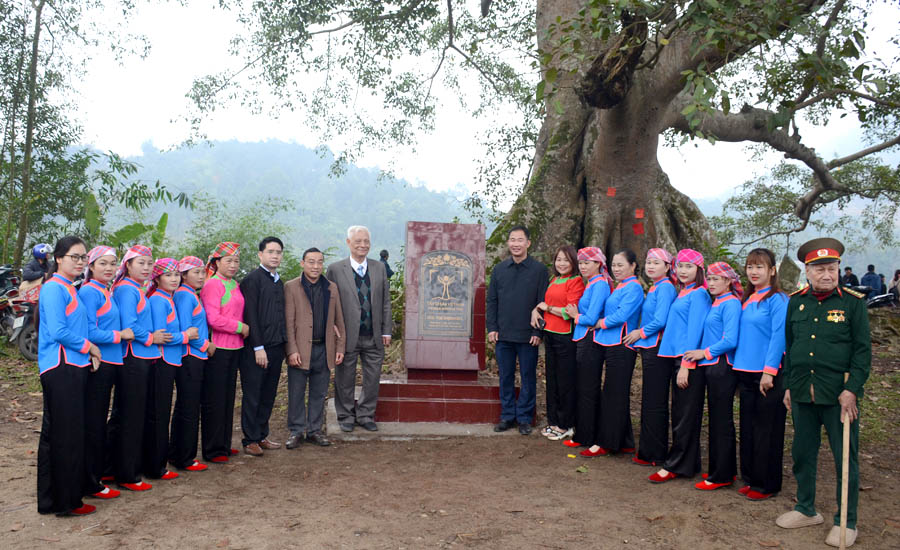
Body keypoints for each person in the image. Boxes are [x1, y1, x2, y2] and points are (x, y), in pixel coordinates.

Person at [776, 238, 870, 548]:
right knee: (802, 454)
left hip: (839, 396)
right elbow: (790, 346)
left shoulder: (852, 303)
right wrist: (789, 384)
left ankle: (846, 521)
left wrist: (852, 390)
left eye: (832, 268)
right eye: (819, 269)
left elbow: (862, 352)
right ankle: (806, 508)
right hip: (803, 391)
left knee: (846, 459)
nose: (826, 275)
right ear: (808, 271)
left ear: (839, 269)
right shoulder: (796, 301)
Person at [36, 236, 102, 516]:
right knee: (66, 436)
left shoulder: (70, 288)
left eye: (83, 257)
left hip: (73, 366)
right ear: (59, 258)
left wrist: (86, 353)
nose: (80, 262)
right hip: (60, 367)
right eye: (75, 256)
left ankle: (54, 500)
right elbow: (58, 331)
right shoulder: (53, 288)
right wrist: (91, 347)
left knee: (61, 434)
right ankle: (66, 502)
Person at [109, 245, 171, 492]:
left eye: (149, 264)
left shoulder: (137, 289)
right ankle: (127, 474)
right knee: (131, 416)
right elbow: (129, 325)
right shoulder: (126, 289)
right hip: (134, 357)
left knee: (129, 414)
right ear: (128, 265)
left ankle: (113, 469)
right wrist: (150, 338)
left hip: (143, 357)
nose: (146, 268)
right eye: (141, 263)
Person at [649, 249, 711, 483]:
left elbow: (695, 330)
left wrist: (686, 365)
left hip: (688, 361)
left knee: (684, 415)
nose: (683, 271)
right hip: (678, 358)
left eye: (689, 267)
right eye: (680, 266)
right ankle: (688, 463)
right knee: (682, 412)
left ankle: (675, 464)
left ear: (699, 270)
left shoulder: (699, 294)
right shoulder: (684, 291)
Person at [732, 248, 788, 500]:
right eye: (750, 267)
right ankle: (752, 478)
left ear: (772, 271)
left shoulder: (777, 300)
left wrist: (770, 371)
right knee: (749, 427)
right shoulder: (747, 298)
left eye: (760, 267)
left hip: (767, 374)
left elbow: (779, 336)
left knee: (768, 428)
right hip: (744, 371)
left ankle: (767, 484)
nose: (754, 272)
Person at [78, 246, 133, 502]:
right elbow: (88, 331)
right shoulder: (90, 291)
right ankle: (91, 482)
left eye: (112, 263)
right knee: (94, 422)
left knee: (105, 420)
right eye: (103, 263)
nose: (109, 268)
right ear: (90, 266)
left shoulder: (106, 290)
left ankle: (101, 473)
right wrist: (119, 335)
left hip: (113, 361)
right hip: (100, 362)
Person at [682, 262, 742, 490]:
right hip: (711, 366)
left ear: (728, 281)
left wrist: (703, 352)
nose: (713, 283)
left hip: (722, 367)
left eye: (718, 279)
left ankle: (722, 475)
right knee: (716, 419)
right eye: (711, 278)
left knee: (721, 420)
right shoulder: (717, 302)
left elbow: (730, 340)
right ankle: (722, 469)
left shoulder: (732, 304)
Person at [326, 226, 393, 432]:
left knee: (372, 378)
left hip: (373, 335)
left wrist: (386, 330)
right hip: (347, 336)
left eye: (366, 241)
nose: (363, 245)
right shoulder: (336, 269)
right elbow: (330, 304)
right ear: (348, 243)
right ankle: (345, 415)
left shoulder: (379, 268)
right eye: (358, 241)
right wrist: (333, 329)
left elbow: (385, 302)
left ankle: (365, 414)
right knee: (345, 377)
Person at [486, 226, 549, 435]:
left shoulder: (539, 271)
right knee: (505, 376)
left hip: (528, 335)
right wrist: (492, 328)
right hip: (503, 334)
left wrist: (538, 333)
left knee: (528, 377)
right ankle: (507, 416)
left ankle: (524, 418)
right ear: (508, 243)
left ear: (528, 243)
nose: (515, 244)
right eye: (512, 239)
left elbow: (543, 303)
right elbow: (492, 301)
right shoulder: (499, 270)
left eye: (520, 240)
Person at [284, 247, 346, 448]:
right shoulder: (291, 287)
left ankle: (314, 430)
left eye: (319, 262)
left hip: (324, 348)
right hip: (300, 349)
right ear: (302, 263)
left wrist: (340, 347)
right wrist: (291, 350)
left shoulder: (331, 287)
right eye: (311, 261)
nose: (316, 266)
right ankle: (296, 431)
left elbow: (339, 319)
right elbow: (288, 322)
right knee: (296, 392)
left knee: (319, 392)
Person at [145, 259, 197, 481]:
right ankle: (155, 466)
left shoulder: (170, 298)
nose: (174, 278)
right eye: (168, 275)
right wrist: (186, 336)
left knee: (163, 412)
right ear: (157, 279)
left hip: (173, 360)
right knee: (158, 414)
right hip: (162, 361)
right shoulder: (158, 300)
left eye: (176, 274)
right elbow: (161, 335)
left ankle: (161, 461)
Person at [626, 248, 677, 467]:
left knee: (655, 401)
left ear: (667, 267)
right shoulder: (656, 287)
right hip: (648, 347)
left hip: (657, 347)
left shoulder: (665, 288)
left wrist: (641, 332)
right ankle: (648, 450)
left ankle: (655, 452)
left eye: (657, 263)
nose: (650, 266)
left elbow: (661, 319)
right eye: (648, 262)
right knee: (649, 399)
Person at [238, 237, 287, 456]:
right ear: (260, 254)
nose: (275, 256)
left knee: (268, 393)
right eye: (270, 252)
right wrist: (258, 347)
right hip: (256, 349)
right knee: (253, 393)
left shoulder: (278, 281)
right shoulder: (252, 280)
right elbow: (251, 316)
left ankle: (261, 434)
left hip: (277, 346)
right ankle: (250, 439)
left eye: (278, 252)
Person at [530, 245, 584, 441]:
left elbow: (569, 312)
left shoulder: (575, 281)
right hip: (550, 335)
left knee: (565, 382)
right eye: (558, 259)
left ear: (574, 263)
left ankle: (566, 424)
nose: (561, 263)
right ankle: (553, 422)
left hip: (565, 337)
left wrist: (547, 307)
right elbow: (543, 305)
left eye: (566, 260)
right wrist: (537, 309)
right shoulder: (555, 279)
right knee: (552, 380)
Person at [593, 249, 644, 455]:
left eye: (620, 265)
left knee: (614, 393)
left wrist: (600, 323)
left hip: (622, 344)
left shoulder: (634, 288)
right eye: (613, 265)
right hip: (612, 343)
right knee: (616, 392)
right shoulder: (620, 286)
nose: (616, 269)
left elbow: (622, 315)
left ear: (633, 266)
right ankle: (625, 441)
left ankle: (607, 442)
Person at [200, 242, 248, 463]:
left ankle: (224, 444)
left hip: (235, 348)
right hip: (218, 348)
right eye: (228, 260)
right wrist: (241, 327)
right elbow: (213, 318)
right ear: (216, 262)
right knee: (215, 399)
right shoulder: (213, 285)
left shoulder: (234, 284)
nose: (233, 264)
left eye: (236, 261)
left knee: (229, 399)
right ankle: (212, 449)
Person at [562, 247, 611, 452]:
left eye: (587, 262)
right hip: (583, 338)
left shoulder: (599, 285)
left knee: (588, 389)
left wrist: (574, 315)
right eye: (581, 263)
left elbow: (591, 318)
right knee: (583, 388)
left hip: (590, 340)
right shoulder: (591, 283)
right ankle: (584, 434)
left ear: (599, 264)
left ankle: (589, 436)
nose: (583, 266)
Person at [170, 256, 211, 472]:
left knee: (186, 405)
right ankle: (184, 457)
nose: (201, 276)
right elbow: (187, 329)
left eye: (202, 272)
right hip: (191, 355)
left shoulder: (189, 295)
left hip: (194, 355)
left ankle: (178, 453)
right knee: (189, 406)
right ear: (184, 275)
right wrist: (206, 345)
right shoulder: (186, 296)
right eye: (195, 272)